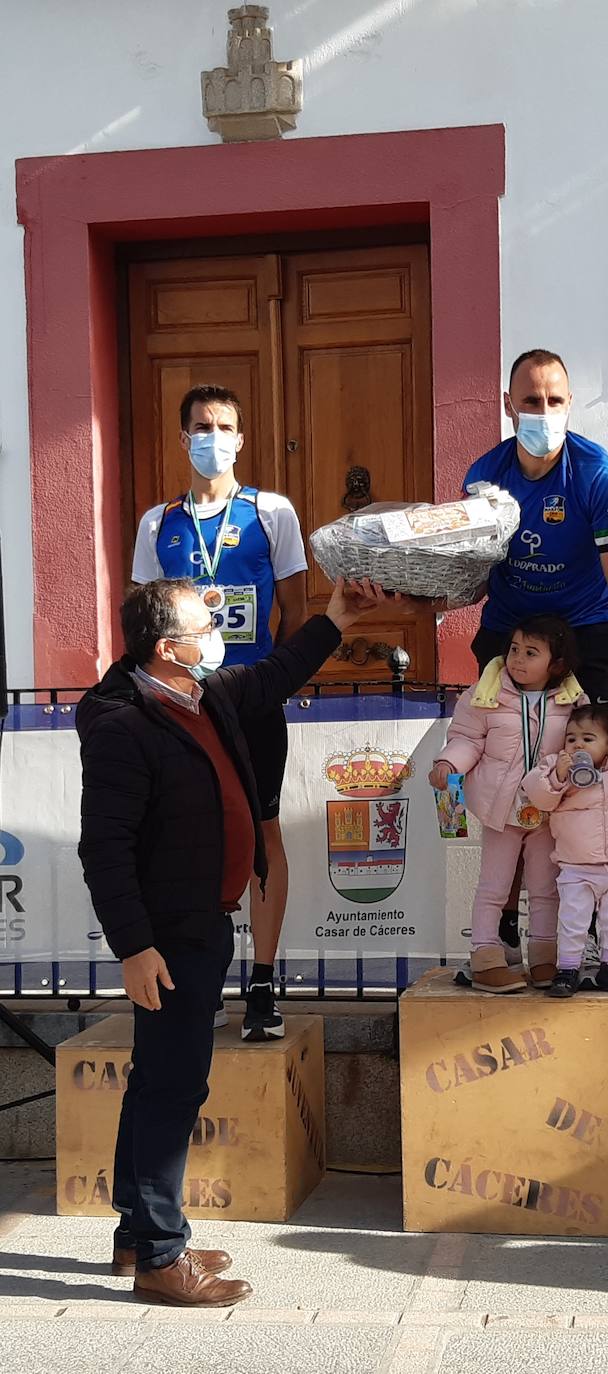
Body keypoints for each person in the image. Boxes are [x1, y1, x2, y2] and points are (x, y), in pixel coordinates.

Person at [76, 574, 389, 1306]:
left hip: (204, 923)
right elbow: (105, 848)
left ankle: (136, 1235)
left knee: (157, 1081)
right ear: (167, 648)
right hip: (169, 933)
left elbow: (275, 673)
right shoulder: (124, 726)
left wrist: (336, 617)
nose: (217, 634)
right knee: (173, 1088)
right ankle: (161, 1257)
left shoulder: (202, 695)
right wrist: (134, 947)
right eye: (204, 626)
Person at [464, 349, 608, 953]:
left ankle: (583, 936)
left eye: (554, 400)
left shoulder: (597, 475)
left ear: (570, 404)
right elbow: (471, 579)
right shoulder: (485, 477)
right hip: (509, 638)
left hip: (584, 636)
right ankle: (502, 935)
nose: (543, 412)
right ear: (509, 406)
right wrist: (412, 588)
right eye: (531, 401)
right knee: (507, 774)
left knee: (580, 780)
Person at [132, 384, 308, 1042]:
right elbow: (145, 618)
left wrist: (276, 678)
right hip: (184, 703)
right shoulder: (158, 524)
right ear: (184, 439)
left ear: (241, 438)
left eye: (225, 426)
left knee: (263, 835)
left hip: (250, 698)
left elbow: (296, 608)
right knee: (192, 840)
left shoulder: (272, 512)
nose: (214, 437)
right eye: (202, 427)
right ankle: (203, 978)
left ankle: (262, 982)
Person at [428, 615, 586, 992]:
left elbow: (584, 742)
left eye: (531, 653)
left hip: (548, 811)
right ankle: (486, 959)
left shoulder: (573, 701)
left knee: (546, 888)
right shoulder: (486, 693)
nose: (518, 659)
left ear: (557, 664)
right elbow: (468, 738)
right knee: (494, 888)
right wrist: (448, 763)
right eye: (514, 649)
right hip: (502, 811)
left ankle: (545, 960)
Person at [523, 705, 608, 998]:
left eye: (588, 739)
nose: (578, 745)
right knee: (573, 922)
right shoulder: (557, 766)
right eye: (571, 738)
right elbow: (539, 797)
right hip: (576, 867)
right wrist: (558, 776)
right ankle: (567, 970)